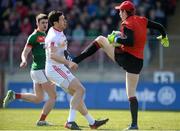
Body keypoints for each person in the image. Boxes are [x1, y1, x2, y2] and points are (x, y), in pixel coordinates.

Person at [72, 1, 169, 130]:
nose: (119, 13)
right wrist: (163, 36)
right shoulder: (142, 20)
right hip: (138, 62)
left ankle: (76, 60)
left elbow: (130, 41)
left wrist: (115, 39)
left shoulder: (127, 23)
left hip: (126, 59)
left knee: (101, 39)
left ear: (125, 12)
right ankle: (134, 125)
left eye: (120, 11)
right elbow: (159, 26)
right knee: (131, 94)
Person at [45, 10, 109, 130]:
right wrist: (69, 62)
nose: (65, 21)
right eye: (62, 19)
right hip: (54, 68)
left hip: (58, 68)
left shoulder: (59, 32)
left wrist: (70, 59)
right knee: (80, 90)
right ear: (55, 23)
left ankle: (92, 122)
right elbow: (52, 55)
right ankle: (70, 122)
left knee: (77, 94)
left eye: (65, 18)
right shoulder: (53, 36)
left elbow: (62, 51)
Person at [3, 13, 57, 126]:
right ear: (37, 23)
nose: (45, 25)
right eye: (42, 23)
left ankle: (14, 95)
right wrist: (23, 60)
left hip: (38, 71)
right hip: (40, 70)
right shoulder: (34, 36)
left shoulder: (47, 35)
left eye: (46, 23)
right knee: (53, 96)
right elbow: (25, 52)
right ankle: (41, 120)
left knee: (38, 98)